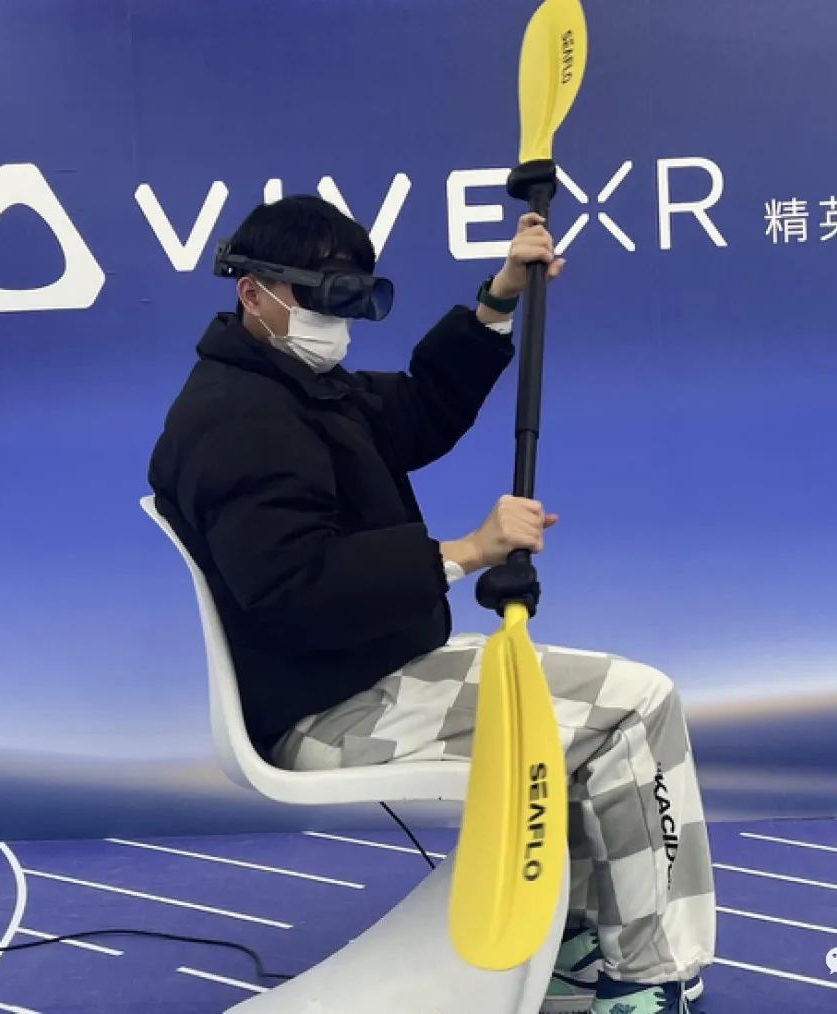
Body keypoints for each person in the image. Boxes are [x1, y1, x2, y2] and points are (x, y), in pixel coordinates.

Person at [148, 195, 716, 1013]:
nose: (341, 323)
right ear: (253, 292)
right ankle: (649, 978)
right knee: (635, 706)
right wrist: (462, 553)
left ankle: (572, 940)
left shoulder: (298, 386)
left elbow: (419, 410)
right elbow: (290, 589)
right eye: (327, 298)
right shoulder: (234, 421)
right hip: (329, 710)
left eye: (357, 299)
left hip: (373, 670)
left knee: (595, 714)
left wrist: (499, 297)